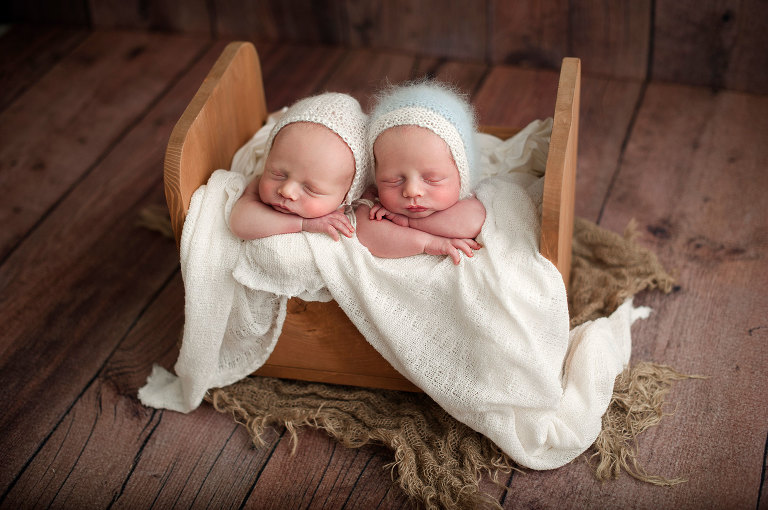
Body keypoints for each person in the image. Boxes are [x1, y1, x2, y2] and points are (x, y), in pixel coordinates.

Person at [356, 81, 486, 264]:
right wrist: (429, 243)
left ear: (461, 177)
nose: (412, 191)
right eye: (393, 180)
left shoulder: (465, 202)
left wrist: (408, 222)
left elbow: (473, 222)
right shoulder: (374, 202)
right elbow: (366, 234)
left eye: (432, 179)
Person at [229, 92, 368, 241]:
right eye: (278, 174)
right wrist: (304, 223)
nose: (286, 191)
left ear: (346, 197)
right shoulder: (257, 186)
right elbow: (240, 223)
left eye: (310, 189)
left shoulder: (356, 211)